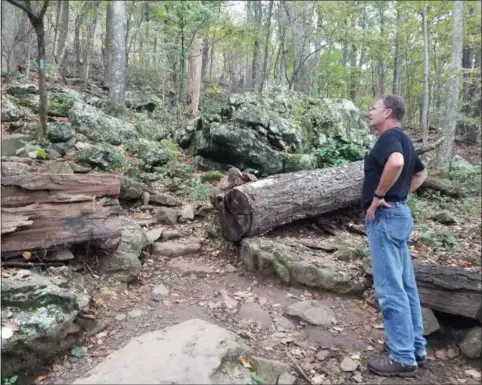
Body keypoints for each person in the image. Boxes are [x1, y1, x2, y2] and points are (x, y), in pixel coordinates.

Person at [362, 94, 428, 377]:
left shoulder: (390, 138)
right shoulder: (405, 138)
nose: (370, 112)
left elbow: (398, 164)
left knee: (390, 289)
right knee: (406, 285)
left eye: (374, 108)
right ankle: (415, 348)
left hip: (386, 219)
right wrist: (399, 195)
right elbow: (420, 174)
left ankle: (402, 357)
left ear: (387, 112)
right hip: (399, 215)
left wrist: (379, 196)